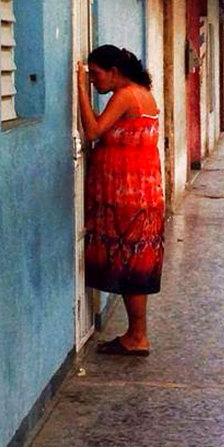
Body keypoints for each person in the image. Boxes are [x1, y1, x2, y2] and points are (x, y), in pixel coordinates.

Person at [76, 45, 164, 356]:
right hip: (142, 190)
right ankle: (136, 334)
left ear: (114, 72)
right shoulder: (144, 93)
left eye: (96, 75)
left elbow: (93, 130)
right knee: (136, 265)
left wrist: (79, 92)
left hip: (127, 193)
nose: (94, 81)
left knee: (131, 265)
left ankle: (138, 336)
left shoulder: (126, 95)